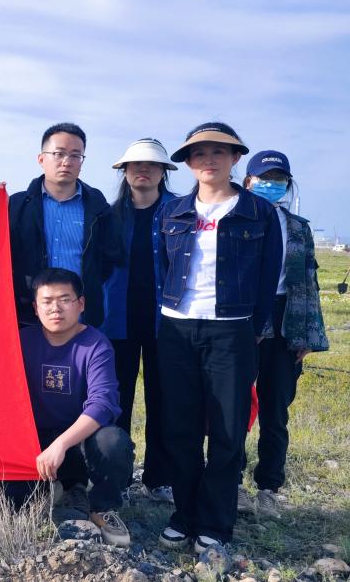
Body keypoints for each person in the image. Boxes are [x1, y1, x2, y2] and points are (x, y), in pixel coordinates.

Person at [157, 122, 282, 553]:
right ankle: (184, 515)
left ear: (235, 158)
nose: (208, 160)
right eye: (199, 153)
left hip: (232, 330)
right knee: (181, 428)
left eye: (218, 152)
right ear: (189, 163)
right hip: (177, 329)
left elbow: (268, 278)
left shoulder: (258, 213)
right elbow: (162, 270)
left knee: (228, 431)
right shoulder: (171, 211)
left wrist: (253, 327)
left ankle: (215, 523)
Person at [238, 150, 328, 519]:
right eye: (265, 178)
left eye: (279, 179)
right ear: (248, 181)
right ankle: (231, 482)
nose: (272, 185)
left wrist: (307, 335)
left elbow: (308, 283)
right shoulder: (236, 219)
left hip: (285, 321)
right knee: (234, 406)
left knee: (276, 410)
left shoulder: (298, 227)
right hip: (244, 320)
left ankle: (268, 488)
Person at [16, 268, 135, 547]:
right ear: (35, 308)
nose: (55, 308)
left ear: (81, 304)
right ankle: (57, 490)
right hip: (35, 446)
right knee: (14, 501)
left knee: (113, 441)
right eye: (47, 301)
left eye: (64, 299)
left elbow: (103, 403)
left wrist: (61, 444)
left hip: (79, 444)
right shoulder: (22, 341)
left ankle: (102, 507)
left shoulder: (96, 344)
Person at [101, 138, 177, 503]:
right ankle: (116, 477)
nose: (143, 170)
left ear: (164, 171)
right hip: (117, 321)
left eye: (151, 164)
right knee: (117, 401)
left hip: (168, 323)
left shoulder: (181, 212)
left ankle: (159, 477)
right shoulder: (108, 215)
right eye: (135, 165)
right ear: (125, 171)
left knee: (164, 400)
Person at [9, 123, 123, 328]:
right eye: (59, 154)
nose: (67, 162)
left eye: (75, 155)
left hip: (81, 318)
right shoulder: (17, 206)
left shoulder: (98, 208)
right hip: (28, 316)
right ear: (41, 159)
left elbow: (109, 259)